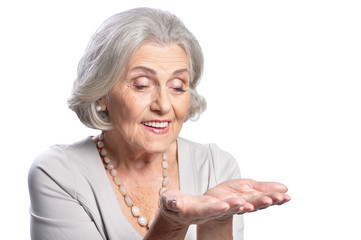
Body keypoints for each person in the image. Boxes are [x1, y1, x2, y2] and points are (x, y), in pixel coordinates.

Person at [28, 7, 290, 240]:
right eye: (142, 85)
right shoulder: (58, 174)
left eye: (177, 86)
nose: (163, 105)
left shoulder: (216, 167)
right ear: (102, 93)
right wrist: (172, 223)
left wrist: (217, 218)